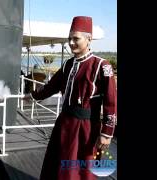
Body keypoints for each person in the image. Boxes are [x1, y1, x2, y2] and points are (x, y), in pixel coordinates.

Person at [24, 16, 117, 180]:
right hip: (64, 122)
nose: (71, 43)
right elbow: (51, 86)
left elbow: (111, 102)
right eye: (69, 39)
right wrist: (32, 96)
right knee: (57, 163)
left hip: (86, 128)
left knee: (80, 169)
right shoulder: (68, 64)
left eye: (76, 39)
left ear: (89, 39)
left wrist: (107, 133)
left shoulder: (101, 66)